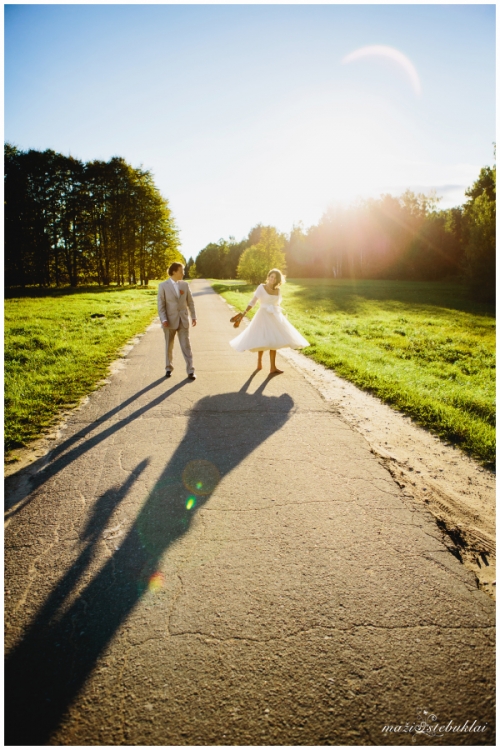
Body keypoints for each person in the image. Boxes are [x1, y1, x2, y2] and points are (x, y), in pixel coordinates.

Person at [229, 269, 309, 374]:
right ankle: (259, 361)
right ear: (268, 277)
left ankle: (273, 367)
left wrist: (281, 316)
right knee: (262, 339)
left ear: (277, 280)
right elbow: (253, 301)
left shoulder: (278, 291)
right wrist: (244, 313)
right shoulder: (261, 287)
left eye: (275, 278)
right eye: (271, 276)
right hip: (262, 315)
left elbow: (277, 305)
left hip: (274, 316)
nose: (273, 279)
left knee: (273, 341)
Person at [157, 262, 197, 380]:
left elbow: (190, 302)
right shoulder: (163, 286)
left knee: (186, 346)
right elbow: (161, 305)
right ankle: (168, 368)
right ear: (174, 271)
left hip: (183, 320)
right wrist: (163, 319)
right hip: (169, 321)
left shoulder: (185, 285)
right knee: (169, 346)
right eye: (181, 271)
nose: (183, 273)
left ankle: (190, 371)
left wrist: (193, 316)